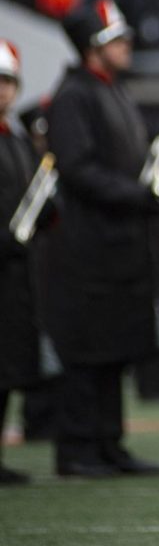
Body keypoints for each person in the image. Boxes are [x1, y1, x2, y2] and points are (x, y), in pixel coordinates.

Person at [44, 0, 159, 477]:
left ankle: (109, 443)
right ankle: (77, 448)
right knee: (88, 349)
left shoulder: (113, 91)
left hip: (120, 245)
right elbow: (78, 169)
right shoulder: (74, 95)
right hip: (87, 248)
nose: (126, 44)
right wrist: (136, 195)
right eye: (116, 39)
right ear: (94, 48)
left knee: (115, 348)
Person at [0, 41, 44, 483]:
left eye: (9, 82)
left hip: (14, 272)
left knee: (8, 367)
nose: (4, 91)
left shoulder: (13, 136)